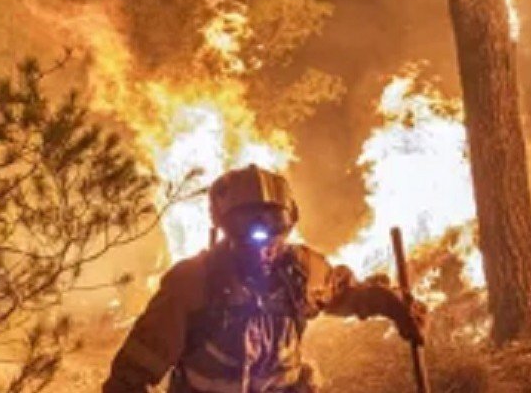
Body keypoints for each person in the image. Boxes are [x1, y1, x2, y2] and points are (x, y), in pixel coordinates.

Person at [103, 164, 427, 392]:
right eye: (246, 222)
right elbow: (129, 377)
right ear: (226, 225)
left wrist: (393, 304)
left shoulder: (303, 270)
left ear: (289, 222)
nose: (261, 234)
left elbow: (346, 295)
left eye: (274, 220)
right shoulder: (193, 283)